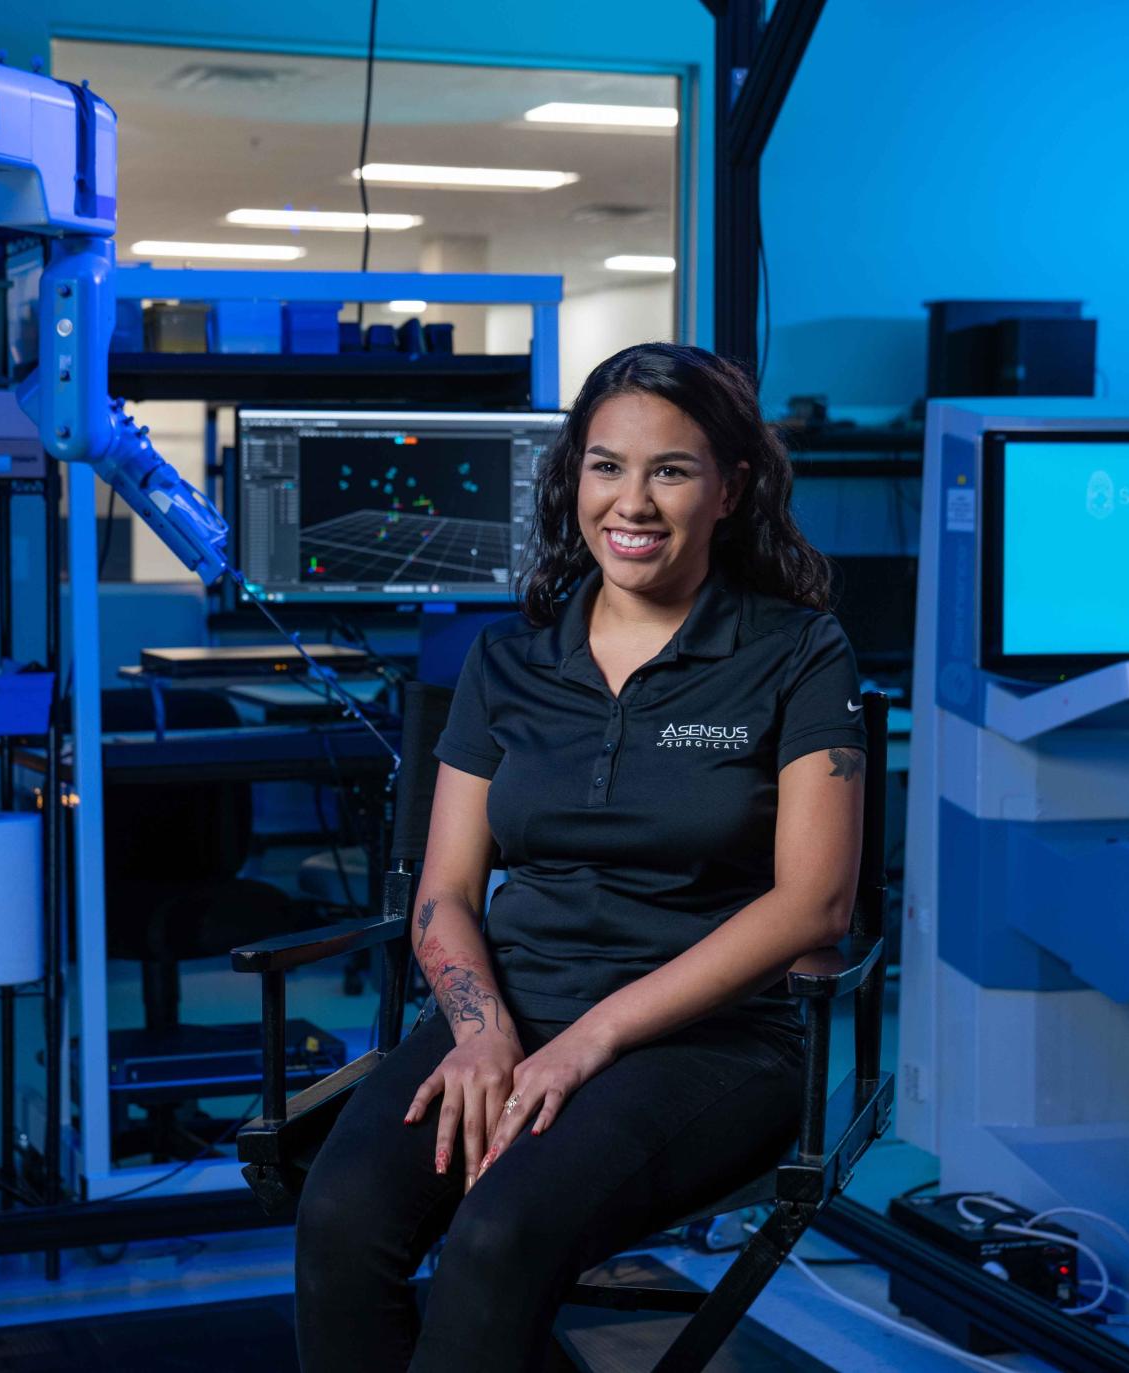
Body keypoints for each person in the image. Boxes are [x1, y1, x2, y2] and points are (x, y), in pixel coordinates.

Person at [291, 343, 868, 1372]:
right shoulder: (508, 660)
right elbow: (447, 892)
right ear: (574, 481)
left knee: (498, 1236)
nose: (632, 502)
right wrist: (479, 1030)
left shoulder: (800, 652)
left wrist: (589, 1039)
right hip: (514, 1013)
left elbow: (813, 906)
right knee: (340, 1215)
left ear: (732, 488)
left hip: (712, 1043)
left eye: (671, 469)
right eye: (607, 466)